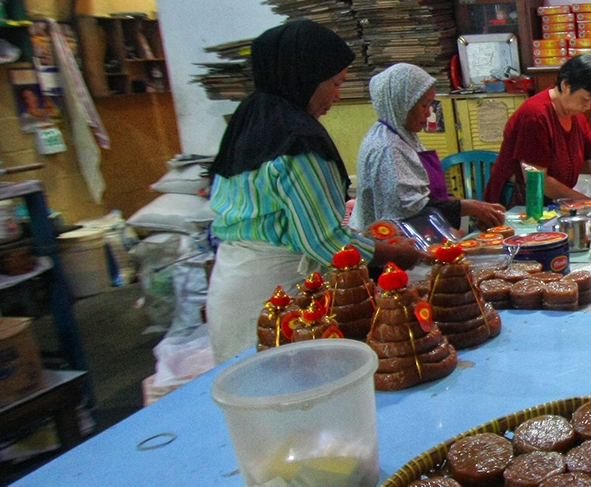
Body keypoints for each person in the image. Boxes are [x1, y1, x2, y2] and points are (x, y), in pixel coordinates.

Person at [206, 19, 418, 362]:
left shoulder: (251, 121)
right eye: (335, 83)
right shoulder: (298, 140)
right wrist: (396, 254)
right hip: (278, 294)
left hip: (232, 286)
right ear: (304, 76)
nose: (337, 95)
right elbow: (323, 241)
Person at [350, 63, 506, 233]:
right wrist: (470, 208)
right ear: (402, 105)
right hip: (390, 243)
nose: (429, 113)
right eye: (424, 105)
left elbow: (426, 196)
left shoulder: (403, 136)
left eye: (431, 104)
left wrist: (472, 209)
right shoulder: (387, 148)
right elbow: (410, 210)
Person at [484, 54, 591, 207]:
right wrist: (584, 201)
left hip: (551, 202)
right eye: (585, 99)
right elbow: (538, 179)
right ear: (566, 85)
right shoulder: (536, 115)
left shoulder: (576, 116)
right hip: (518, 203)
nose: (588, 107)